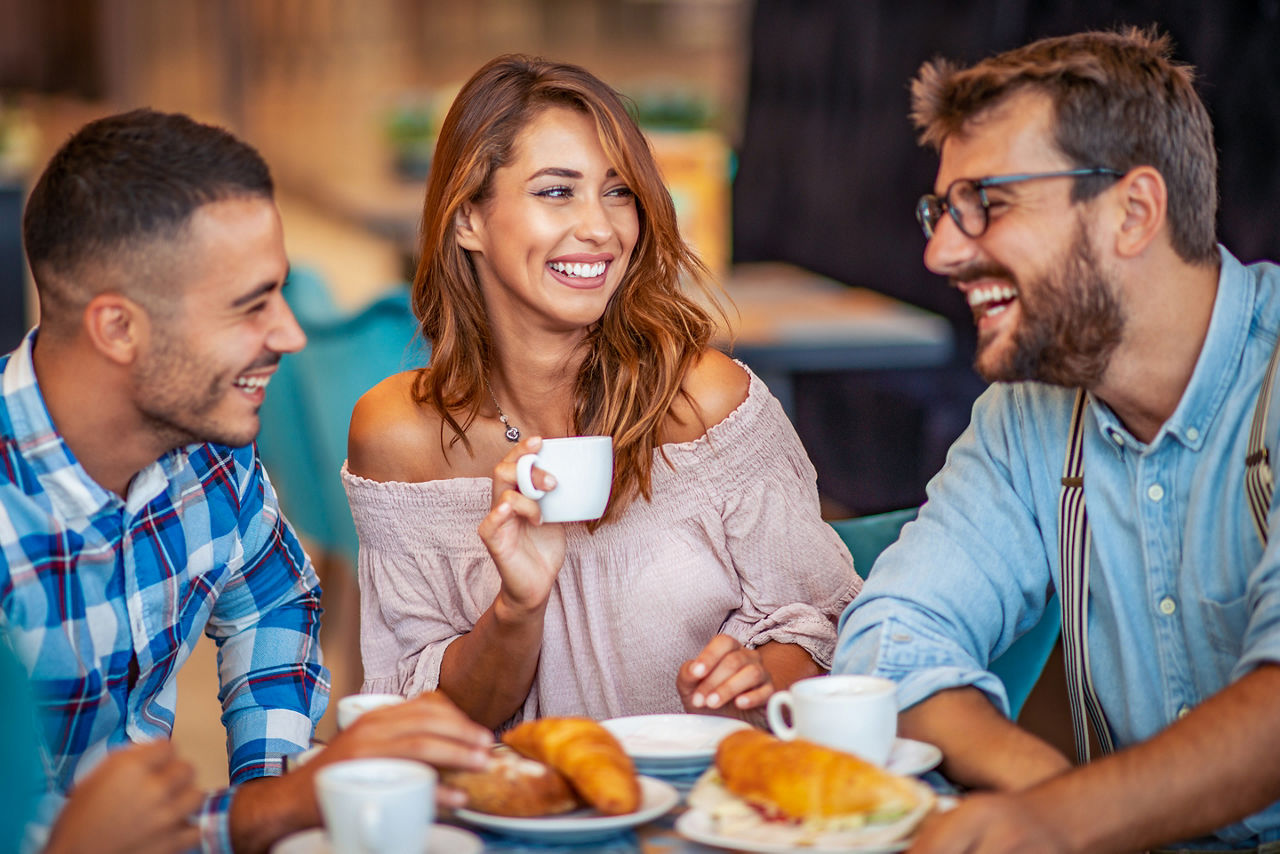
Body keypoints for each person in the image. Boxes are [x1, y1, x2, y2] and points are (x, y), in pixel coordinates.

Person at [832, 28, 1280, 853]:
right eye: (942, 210)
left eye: (988, 203)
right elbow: (890, 638)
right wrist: (1049, 795)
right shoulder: (1028, 414)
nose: (940, 252)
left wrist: (1061, 819)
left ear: (1133, 212)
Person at [1, 108, 493, 854]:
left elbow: (274, 598)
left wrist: (272, 785)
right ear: (118, 328)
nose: (291, 334)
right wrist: (267, 812)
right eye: (250, 305)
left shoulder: (205, 452)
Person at [344, 54, 859, 730]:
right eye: (557, 191)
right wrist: (516, 610)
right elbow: (426, 721)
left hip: (709, 789)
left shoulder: (705, 403)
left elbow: (823, 629)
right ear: (467, 218)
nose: (601, 228)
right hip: (511, 797)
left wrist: (763, 679)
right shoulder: (400, 436)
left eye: (618, 192)